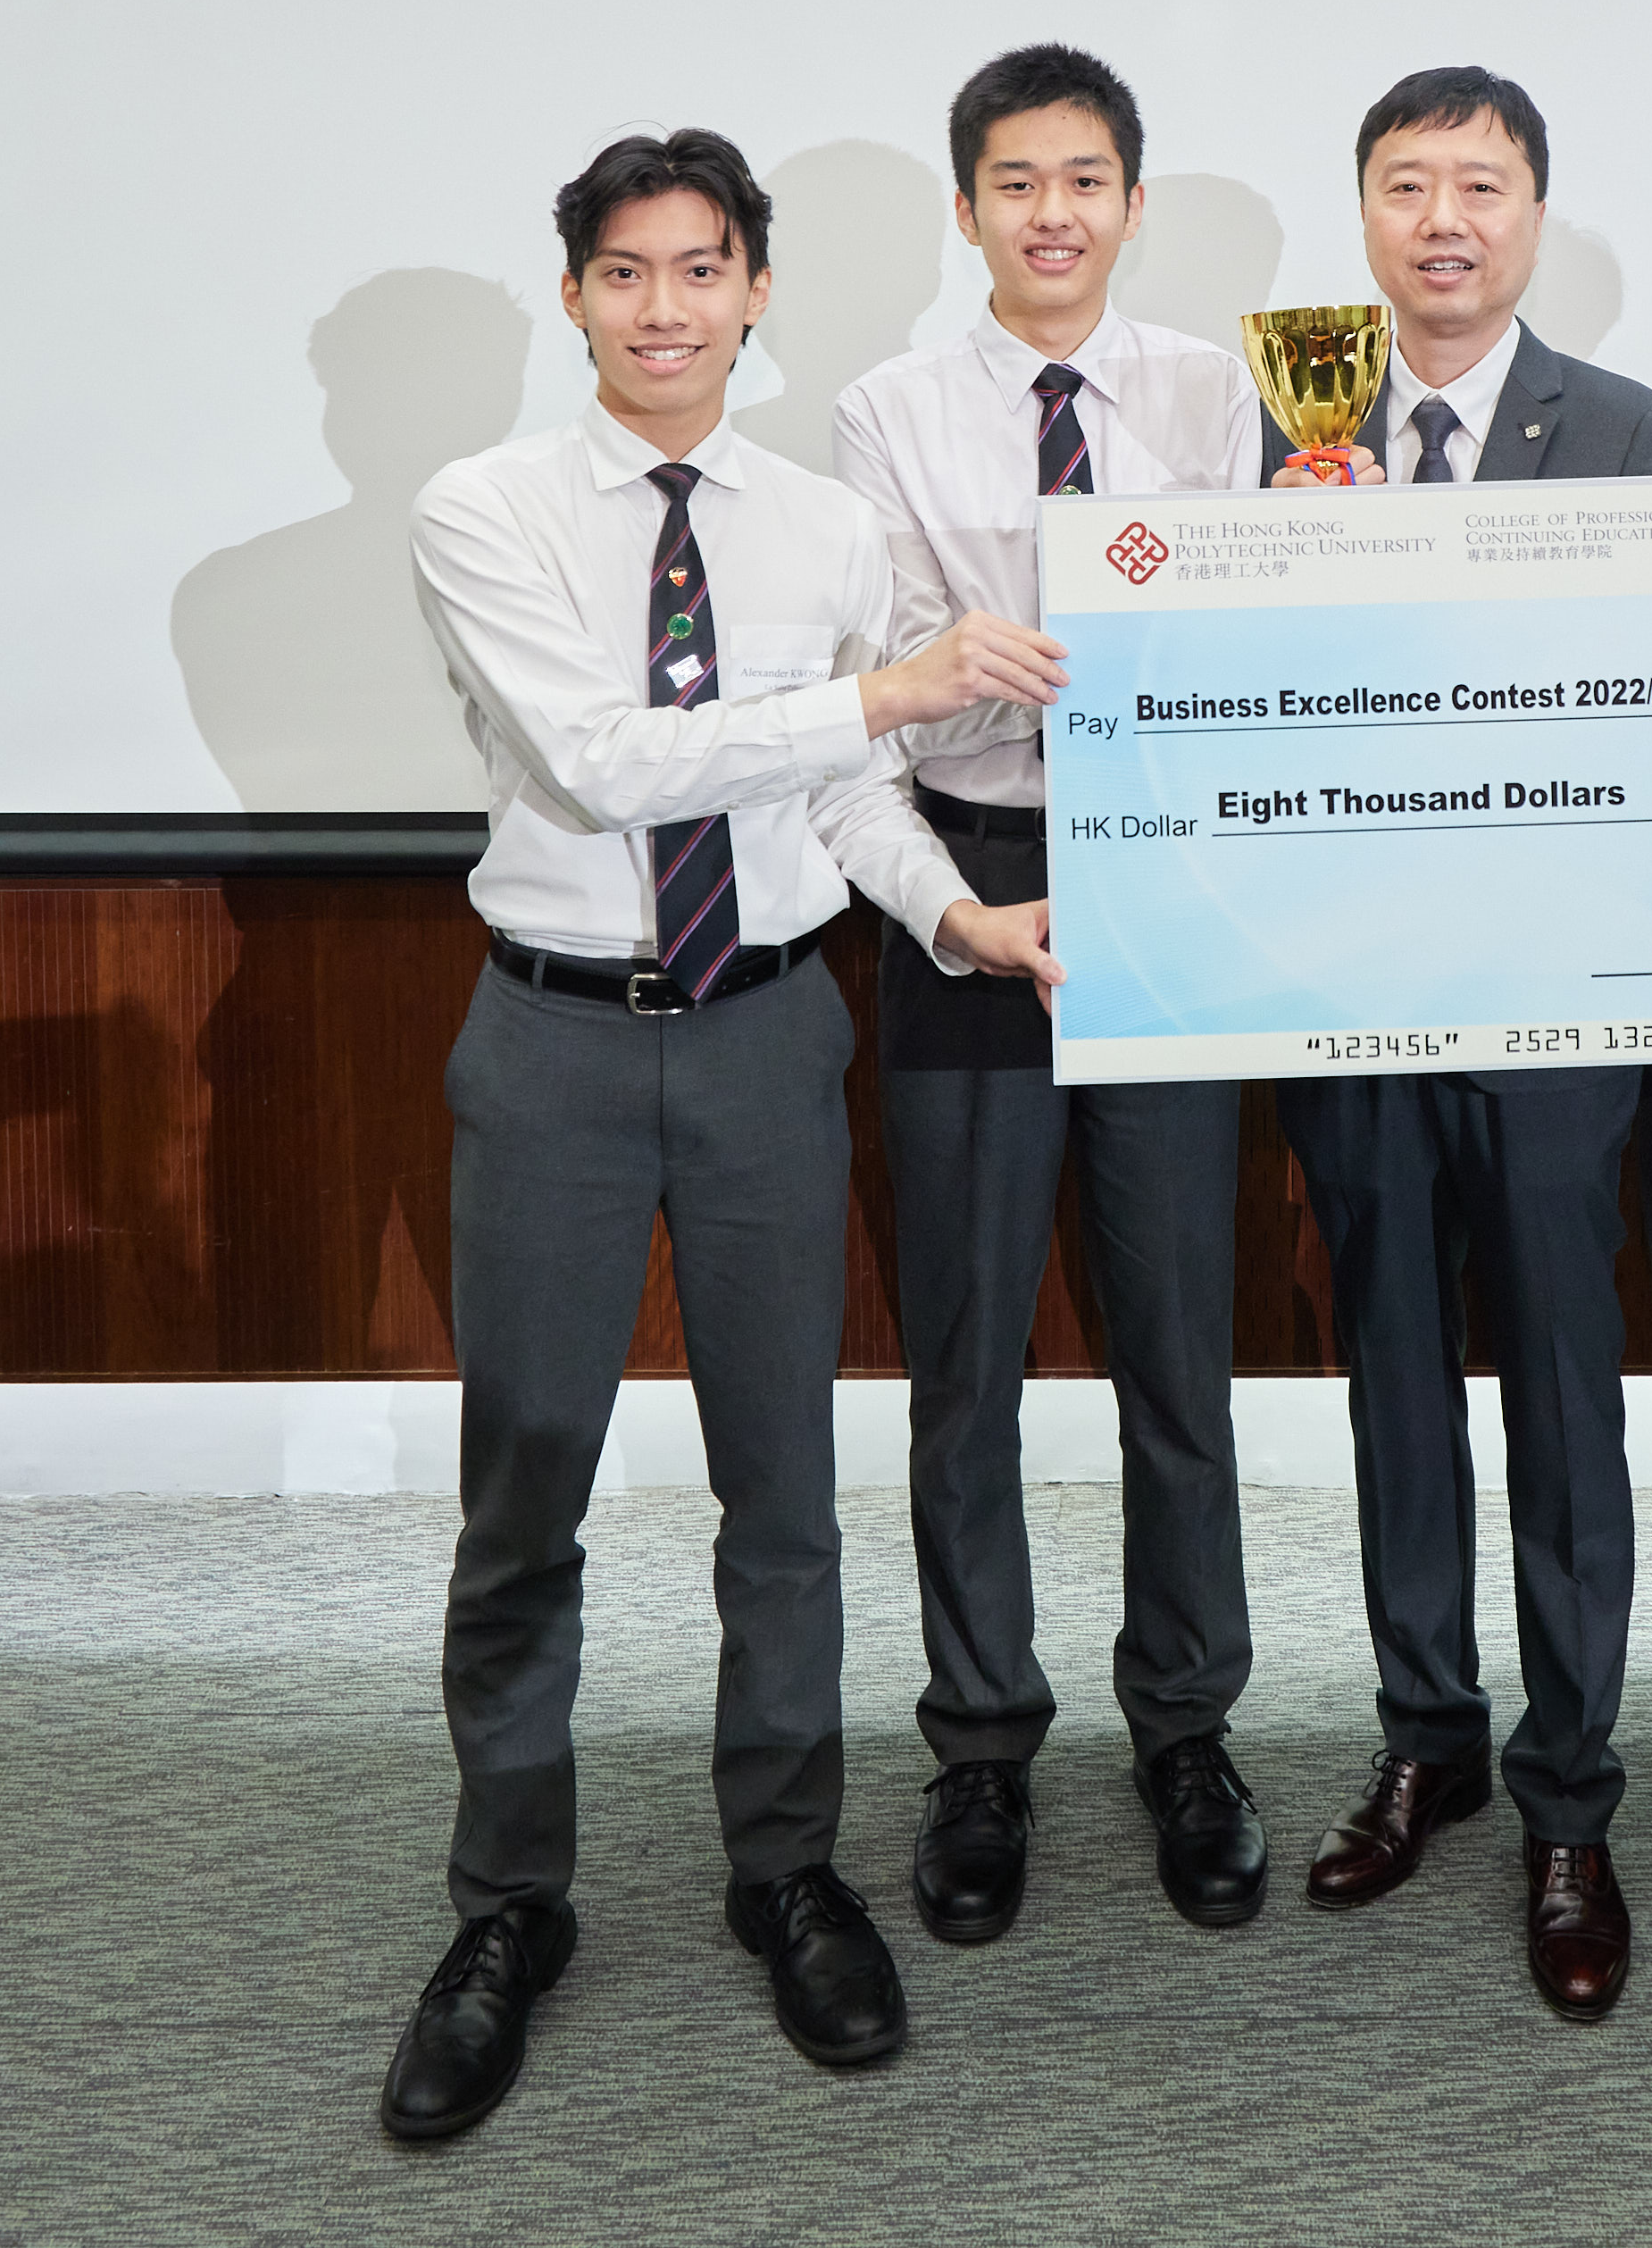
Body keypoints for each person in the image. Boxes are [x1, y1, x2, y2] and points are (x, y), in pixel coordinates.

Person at [377, 129, 1076, 2147]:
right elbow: (606, 766)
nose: (665, 306)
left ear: (758, 290)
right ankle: (509, 1904)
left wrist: (955, 915)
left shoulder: (823, 527)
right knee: (527, 1493)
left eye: (702, 268)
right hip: (556, 1045)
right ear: (575, 297)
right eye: (626, 272)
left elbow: (839, 801)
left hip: (773, 1037)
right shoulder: (485, 507)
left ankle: (788, 1868)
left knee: (785, 1494)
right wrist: (887, 695)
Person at [1263, 63, 1652, 2021]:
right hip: (1350, 995)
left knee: (1560, 1391)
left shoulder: (1628, 430)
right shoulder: (1285, 426)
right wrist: (1284, 563)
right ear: (1362, 214)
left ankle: (1570, 1794)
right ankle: (1424, 1734)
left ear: (1536, 213)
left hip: (1555, 996)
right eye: (1406, 185)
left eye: (1482, 186)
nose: (1444, 220)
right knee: (1393, 1375)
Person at [823, 45, 1272, 1948]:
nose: (1054, 212)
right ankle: (982, 1740)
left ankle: (1188, 1724)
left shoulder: (1220, 392)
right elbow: (901, 675)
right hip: (971, 873)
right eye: (1017, 182)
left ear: (1133, 204)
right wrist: (966, 875)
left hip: (1168, 875)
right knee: (967, 1352)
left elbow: (1243, 641)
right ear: (967, 210)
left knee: (1177, 1339)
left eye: (1086, 179)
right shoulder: (886, 410)